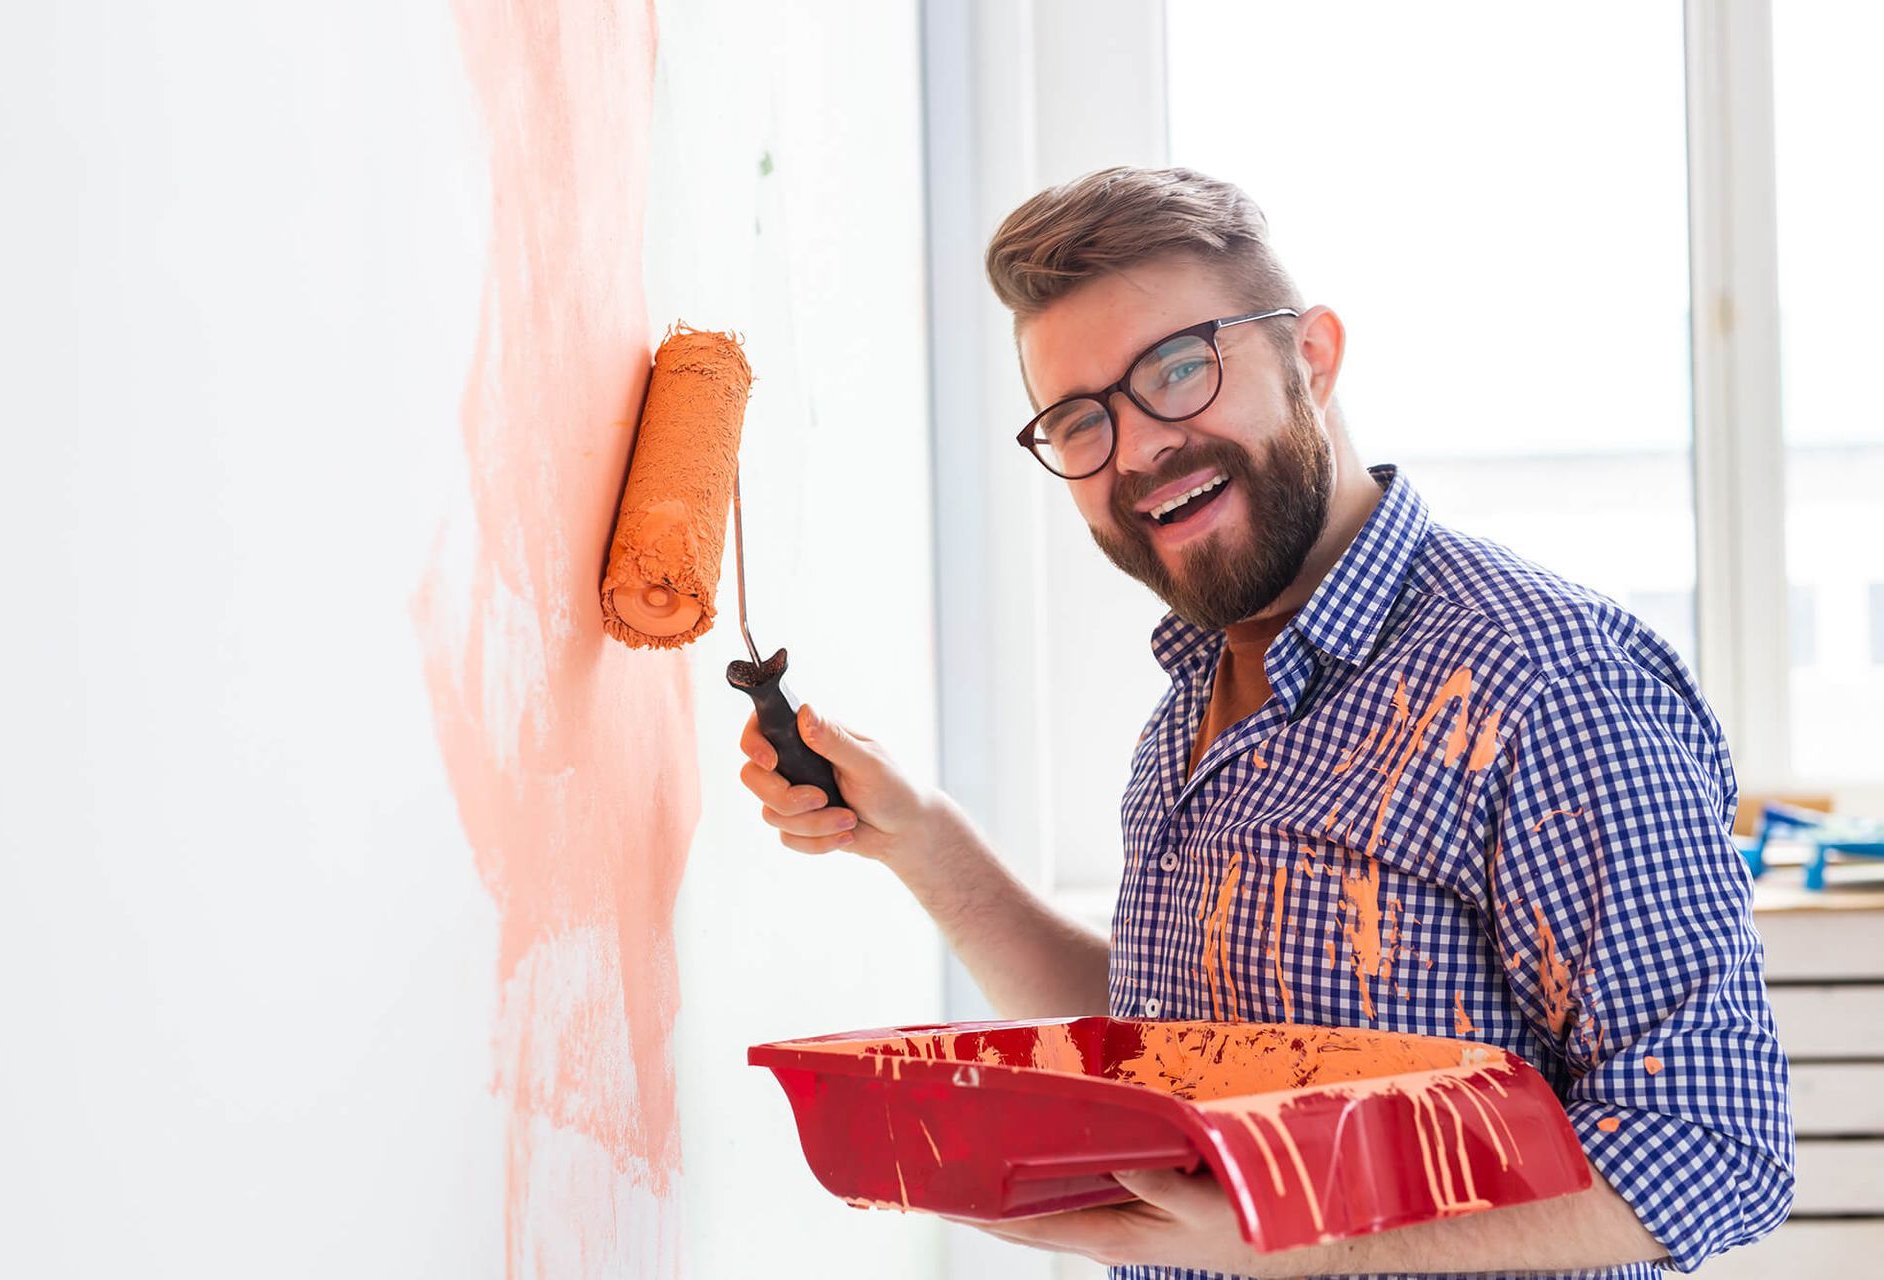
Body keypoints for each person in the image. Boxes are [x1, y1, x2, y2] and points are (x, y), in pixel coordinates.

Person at [736, 166, 1794, 1279]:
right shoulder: (1192, 705)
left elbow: (1715, 1152)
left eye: (1179, 369)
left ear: (1315, 356)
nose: (1137, 448)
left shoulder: (1547, 686)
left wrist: (1302, 1245)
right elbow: (1173, 1056)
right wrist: (924, 843)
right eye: (1078, 419)